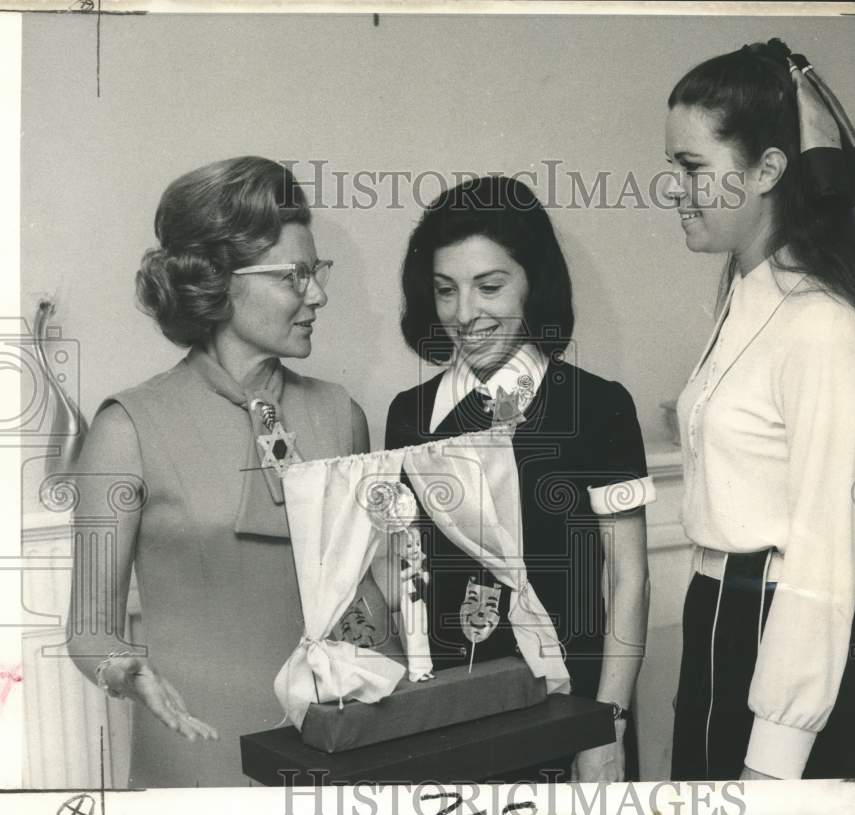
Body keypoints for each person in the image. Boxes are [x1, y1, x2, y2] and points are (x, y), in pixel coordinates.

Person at [66, 156, 372, 787]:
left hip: (334, 749)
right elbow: (89, 629)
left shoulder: (341, 415)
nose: (318, 294)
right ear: (219, 280)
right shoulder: (126, 428)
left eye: (318, 273)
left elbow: (359, 604)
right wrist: (127, 672)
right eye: (296, 276)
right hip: (196, 753)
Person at [663, 39, 855, 781]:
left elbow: (823, 565)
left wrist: (772, 763)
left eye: (693, 167)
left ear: (768, 170)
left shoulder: (822, 327)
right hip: (716, 627)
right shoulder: (744, 298)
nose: (673, 188)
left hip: (785, 653)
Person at [384, 175, 654, 782]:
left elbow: (630, 578)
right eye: (445, 291)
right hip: (450, 715)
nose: (465, 314)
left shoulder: (597, 405)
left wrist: (605, 727)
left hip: (575, 709)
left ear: (534, 283)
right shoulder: (408, 415)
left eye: (490, 287)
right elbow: (408, 577)